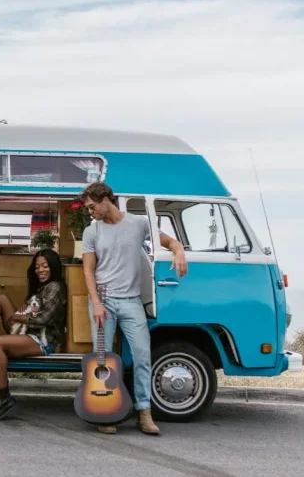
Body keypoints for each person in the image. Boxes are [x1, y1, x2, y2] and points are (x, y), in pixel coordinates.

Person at [79, 181, 187, 436]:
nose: (89, 211)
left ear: (106, 200)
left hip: (131, 301)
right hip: (103, 299)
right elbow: (88, 270)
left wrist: (179, 251)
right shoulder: (91, 232)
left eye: (92, 206)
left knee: (142, 354)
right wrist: (95, 303)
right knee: (103, 358)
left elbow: (168, 241)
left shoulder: (138, 224)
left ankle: (144, 412)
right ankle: (106, 411)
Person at [0, 248, 67, 420]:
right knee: (1, 298)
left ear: (54, 267)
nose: (40, 270)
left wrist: (20, 316)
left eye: (45, 266)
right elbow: (34, 311)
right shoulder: (45, 286)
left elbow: (43, 319)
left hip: (42, 339)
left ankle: (4, 397)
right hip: (28, 332)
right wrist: (24, 310)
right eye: (37, 267)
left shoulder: (55, 287)